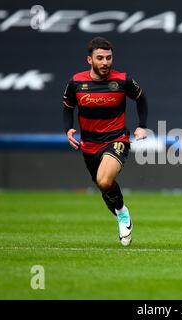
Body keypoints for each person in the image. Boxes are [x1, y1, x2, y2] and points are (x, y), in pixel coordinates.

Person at [62, 37, 148, 246]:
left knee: (104, 180)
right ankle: (120, 211)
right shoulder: (76, 83)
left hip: (116, 138)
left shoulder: (123, 80)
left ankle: (122, 213)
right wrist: (68, 129)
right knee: (103, 186)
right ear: (89, 60)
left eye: (108, 58)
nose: (105, 62)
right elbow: (67, 107)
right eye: (100, 58)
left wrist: (142, 125)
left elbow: (141, 99)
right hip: (89, 144)